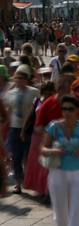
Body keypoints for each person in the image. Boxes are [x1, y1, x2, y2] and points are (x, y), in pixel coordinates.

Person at [41, 94, 79, 226]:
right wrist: (53, 151)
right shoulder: (54, 127)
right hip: (58, 172)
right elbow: (43, 149)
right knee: (60, 211)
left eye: (71, 109)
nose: (67, 112)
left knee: (76, 211)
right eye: (64, 109)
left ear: (77, 110)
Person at [3, 64, 40, 194]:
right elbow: (8, 110)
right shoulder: (10, 94)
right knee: (16, 156)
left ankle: (30, 180)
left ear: (27, 79)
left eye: (23, 78)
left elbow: (38, 109)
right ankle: (18, 182)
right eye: (17, 78)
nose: (20, 80)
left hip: (30, 128)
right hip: (15, 127)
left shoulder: (34, 92)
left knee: (29, 155)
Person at [23, 81, 56, 201]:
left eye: (49, 92)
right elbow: (31, 116)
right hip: (36, 137)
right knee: (36, 164)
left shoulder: (55, 103)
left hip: (48, 136)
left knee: (46, 165)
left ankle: (48, 192)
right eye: (45, 92)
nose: (47, 95)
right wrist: (24, 130)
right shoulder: (37, 101)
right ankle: (40, 190)